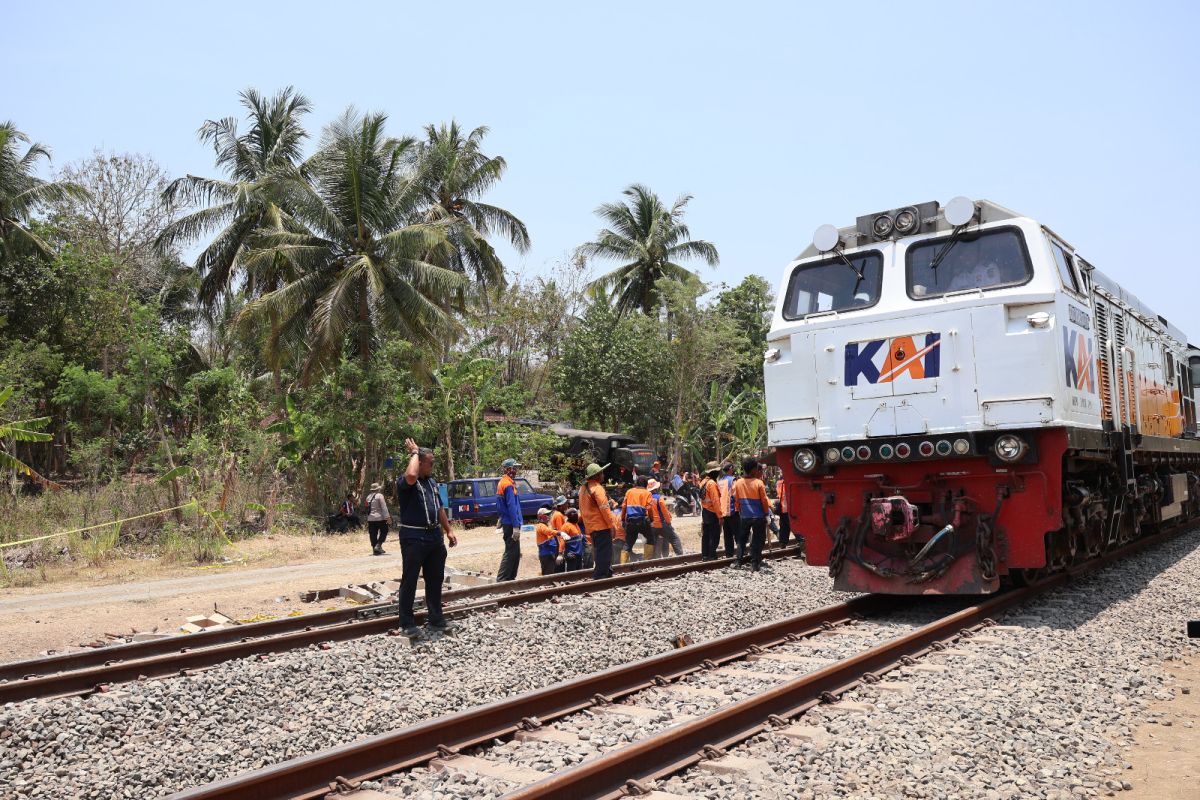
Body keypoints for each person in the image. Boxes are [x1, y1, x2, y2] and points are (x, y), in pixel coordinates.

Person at [394, 438, 458, 636]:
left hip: (433, 536)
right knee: (410, 580)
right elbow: (412, 475)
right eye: (430, 462)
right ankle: (407, 623)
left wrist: (448, 530)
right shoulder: (405, 482)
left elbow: (438, 508)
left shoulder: (431, 483)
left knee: (435, 579)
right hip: (414, 537)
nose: (433, 466)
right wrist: (414, 452)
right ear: (419, 462)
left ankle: (436, 619)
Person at [733, 457, 771, 571]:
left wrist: (739, 510)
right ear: (754, 469)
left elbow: (736, 499)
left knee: (742, 539)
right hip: (758, 516)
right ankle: (755, 564)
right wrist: (766, 513)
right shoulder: (759, 483)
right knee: (757, 540)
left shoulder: (738, 482)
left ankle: (738, 562)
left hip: (745, 516)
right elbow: (764, 500)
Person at [578, 462, 614, 579]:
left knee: (599, 553)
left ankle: (605, 573)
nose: (603, 475)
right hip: (601, 527)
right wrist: (611, 525)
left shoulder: (583, 489)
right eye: (601, 473)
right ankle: (600, 578)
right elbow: (605, 509)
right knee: (604, 553)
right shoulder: (598, 489)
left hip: (591, 527)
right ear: (597, 475)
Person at [496, 458, 523, 581]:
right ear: (509, 469)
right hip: (511, 523)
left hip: (509, 522)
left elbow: (502, 505)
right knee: (511, 552)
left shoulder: (507, 482)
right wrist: (516, 526)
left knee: (515, 553)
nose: (516, 470)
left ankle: (510, 579)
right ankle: (502, 580)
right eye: (514, 468)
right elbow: (511, 507)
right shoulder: (507, 484)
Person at [621, 476, 654, 563]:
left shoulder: (629, 492)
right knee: (650, 538)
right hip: (642, 521)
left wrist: (622, 520)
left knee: (628, 543)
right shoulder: (647, 493)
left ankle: (622, 566)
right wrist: (652, 519)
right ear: (646, 484)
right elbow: (650, 508)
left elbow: (624, 507)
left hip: (630, 521)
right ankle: (647, 562)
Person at [648, 478, 683, 558]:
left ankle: (655, 559)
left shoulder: (648, 499)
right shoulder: (659, 498)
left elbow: (648, 512)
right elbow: (665, 512)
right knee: (674, 538)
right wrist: (668, 522)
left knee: (656, 542)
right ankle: (681, 556)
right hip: (661, 523)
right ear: (656, 488)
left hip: (653, 525)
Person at [699, 462, 724, 560]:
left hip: (705, 511)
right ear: (713, 472)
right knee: (714, 535)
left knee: (706, 535)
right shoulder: (712, 484)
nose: (718, 473)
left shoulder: (703, 482)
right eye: (717, 471)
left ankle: (705, 555)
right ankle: (712, 555)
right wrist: (720, 516)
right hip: (712, 512)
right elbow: (716, 501)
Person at [534, 507, 565, 575]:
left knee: (552, 573)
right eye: (546, 514)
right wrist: (558, 533)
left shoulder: (546, 526)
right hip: (546, 555)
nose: (548, 516)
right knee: (548, 574)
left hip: (549, 554)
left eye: (548, 514)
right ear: (541, 516)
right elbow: (548, 532)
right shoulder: (541, 526)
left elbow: (549, 535)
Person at [718, 462, 739, 559]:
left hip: (723, 511)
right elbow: (735, 495)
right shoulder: (732, 480)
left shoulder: (720, 481)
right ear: (730, 468)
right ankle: (740, 552)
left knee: (727, 535)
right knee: (738, 533)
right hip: (732, 510)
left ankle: (729, 554)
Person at [365, 482, 391, 555]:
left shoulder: (368, 497)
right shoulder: (380, 496)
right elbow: (384, 507)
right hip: (380, 518)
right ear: (378, 489)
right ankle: (378, 545)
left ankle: (374, 549)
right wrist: (388, 517)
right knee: (384, 531)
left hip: (370, 518)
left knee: (373, 534)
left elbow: (366, 507)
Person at [775, 475, 792, 547]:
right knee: (793, 526)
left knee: (784, 526)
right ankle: (802, 542)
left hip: (782, 509)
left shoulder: (778, 483)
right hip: (789, 508)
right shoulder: (787, 482)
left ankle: (783, 543)